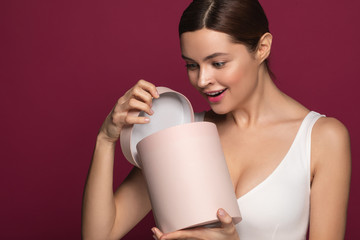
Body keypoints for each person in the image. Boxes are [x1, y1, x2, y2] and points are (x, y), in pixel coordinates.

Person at [82, 0, 351, 239]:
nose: (201, 80)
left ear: (262, 48)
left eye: (218, 63)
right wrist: (105, 139)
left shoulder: (321, 138)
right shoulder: (180, 132)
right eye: (192, 65)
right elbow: (100, 234)